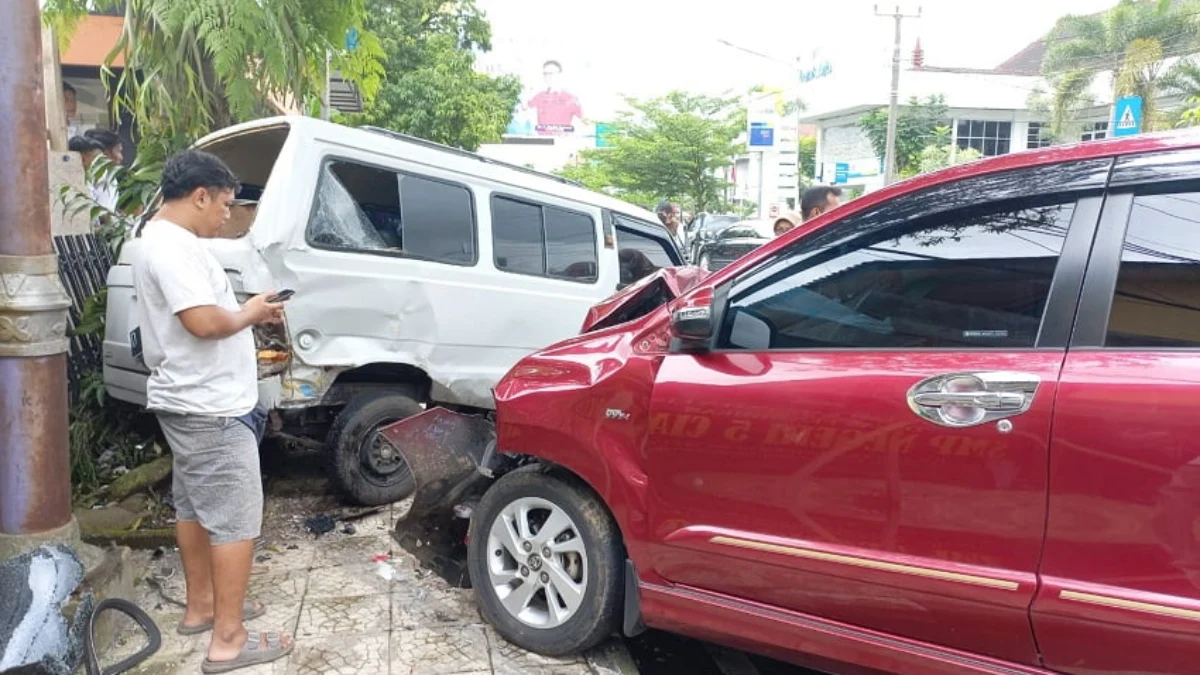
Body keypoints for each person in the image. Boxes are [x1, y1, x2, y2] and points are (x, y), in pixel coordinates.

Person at [133, 150, 292, 673]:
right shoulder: (173, 249)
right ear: (199, 196)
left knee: (195, 509)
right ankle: (228, 639)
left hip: (193, 402)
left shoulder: (164, 242)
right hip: (210, 409)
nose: (228, 213)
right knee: (235, 520)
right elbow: (201, 322)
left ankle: (203, 607)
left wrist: (245, 308)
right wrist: (252, 312)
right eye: (224, 204)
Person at [525, 60, 584, 135]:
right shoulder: (539, 96)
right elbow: (523, 109)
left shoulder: (571, 98)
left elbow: (586, 121)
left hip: (562, 143)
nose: (548, 77)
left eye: (551, 73)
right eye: (545, 74)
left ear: (560, 75)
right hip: (542, 143)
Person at [83, 128, 123, 213]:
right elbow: (104, 214)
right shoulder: (100, 177)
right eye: (118, 151)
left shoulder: (109, 176)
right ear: (105, 153)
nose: (121, 157)